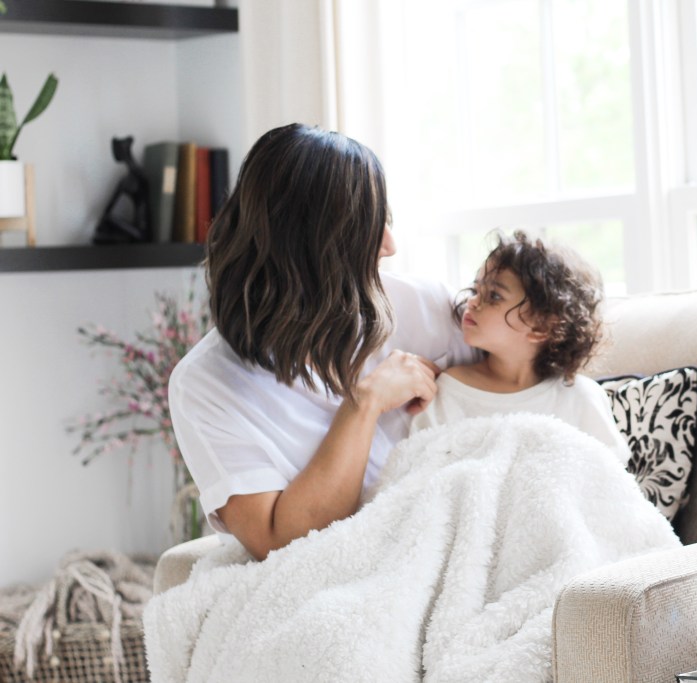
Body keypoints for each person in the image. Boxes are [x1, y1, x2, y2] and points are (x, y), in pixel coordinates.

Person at [168, 123, 476, 561]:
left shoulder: (425, 305)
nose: (389, 245)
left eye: (386, 220)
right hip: (338, 574)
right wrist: (363, 404)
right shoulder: (206, 383)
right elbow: (279, 543)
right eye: (370, 227)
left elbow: (526, 388)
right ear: (313, 247)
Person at [411, 230, 629, 463]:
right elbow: (420, 472)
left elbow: (609, 478)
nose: (472, 302)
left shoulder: (580, 397)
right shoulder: (447, 391)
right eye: (475, 290)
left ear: (543, 326)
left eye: (494, 295)